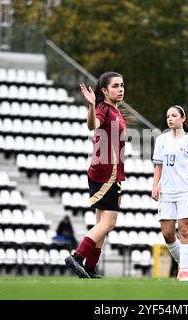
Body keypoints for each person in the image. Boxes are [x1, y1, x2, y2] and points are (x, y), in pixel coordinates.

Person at [65, 72, 126, 279]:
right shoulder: (103, 109)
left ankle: (90, 267)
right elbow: (93, 126)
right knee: (108, 223)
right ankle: (78, 256)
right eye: (115, 86)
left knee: (101, 222)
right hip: (107, 171)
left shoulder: (114, 111)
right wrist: (91, 105)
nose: (120, 89)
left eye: (122, 85)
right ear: (104, 91)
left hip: (106, 169)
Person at [151, 105, 188, 280]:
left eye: (174, 115)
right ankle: (183, 263)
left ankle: (183, 271)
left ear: (183, 118)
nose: (170, 118)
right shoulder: (161, 140)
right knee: (167, 233)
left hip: (186, 191)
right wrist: (155, 185)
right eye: (168, 116)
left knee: (184, 229)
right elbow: (158, 165)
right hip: (167, 192)